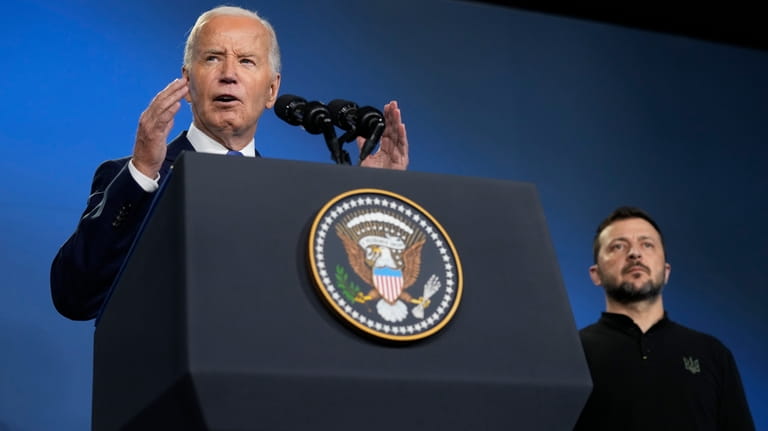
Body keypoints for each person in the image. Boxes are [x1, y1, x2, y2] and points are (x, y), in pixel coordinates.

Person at [50, 6, 409, 321]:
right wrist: (143, 171)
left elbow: (344, 301)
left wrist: (372, 204)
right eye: (212, 58)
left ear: (271, 90)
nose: (228, 74)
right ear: (188, 82)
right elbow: (75, 297)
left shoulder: (295, 197)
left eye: (246, 60)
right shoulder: (133, 179)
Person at [574, 206, 754, 430]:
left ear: (666, 271)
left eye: (647, 244)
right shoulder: (572, 355)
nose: (634, 253)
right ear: (596, 274)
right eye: (618, 246)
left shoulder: (713, 354)